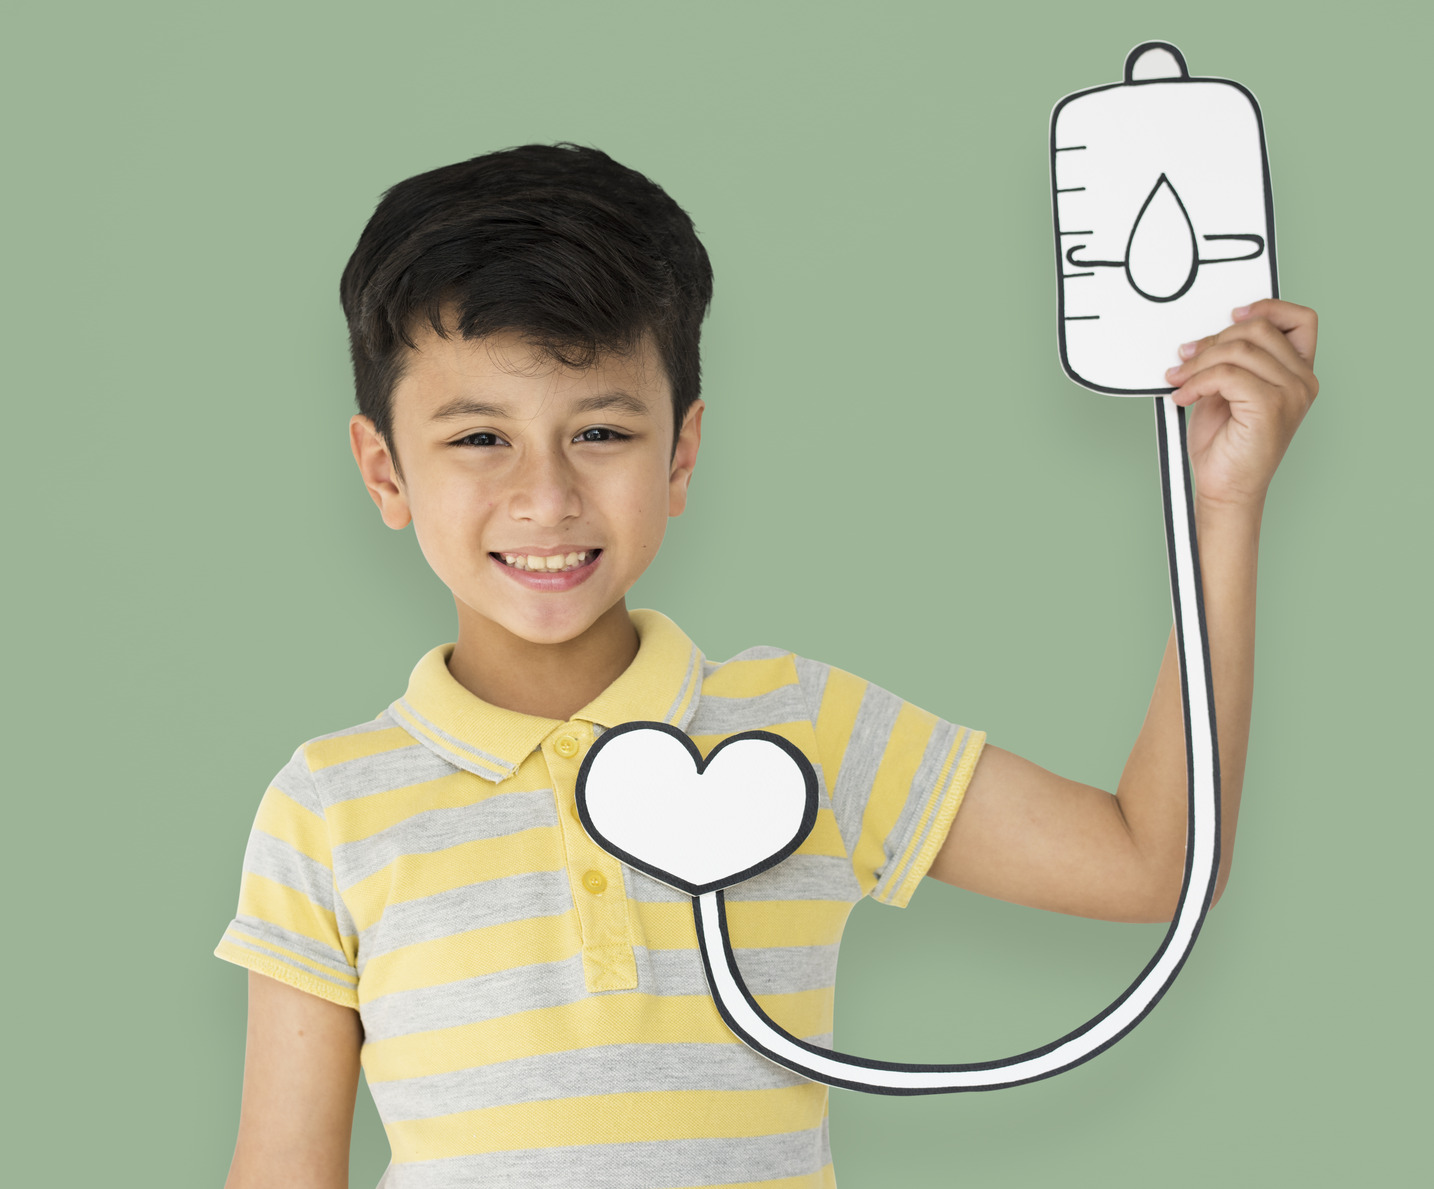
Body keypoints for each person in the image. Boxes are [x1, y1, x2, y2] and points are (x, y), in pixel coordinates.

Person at [217, 143, 1318, 1189]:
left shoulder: (802, 726)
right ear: (384, 469)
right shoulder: (329, 808)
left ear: (682, 450)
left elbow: (1156, 865)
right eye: (477, 439)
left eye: (600, 434)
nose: (544, 497)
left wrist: (1222, 507)